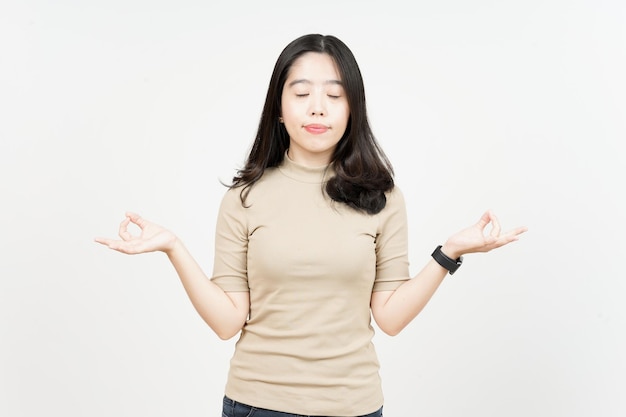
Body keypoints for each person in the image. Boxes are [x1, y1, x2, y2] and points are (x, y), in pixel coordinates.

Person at [95, 33, 527, 417]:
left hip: (355, 406)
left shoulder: (382, 196)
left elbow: (390, 318)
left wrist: (448, 253)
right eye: (301, 93)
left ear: (352, 108)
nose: (318, 107)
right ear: (279, 109)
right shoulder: (244, 198)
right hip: (258, 405)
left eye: (335, 96)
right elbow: (228, 322)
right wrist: (173, 247)